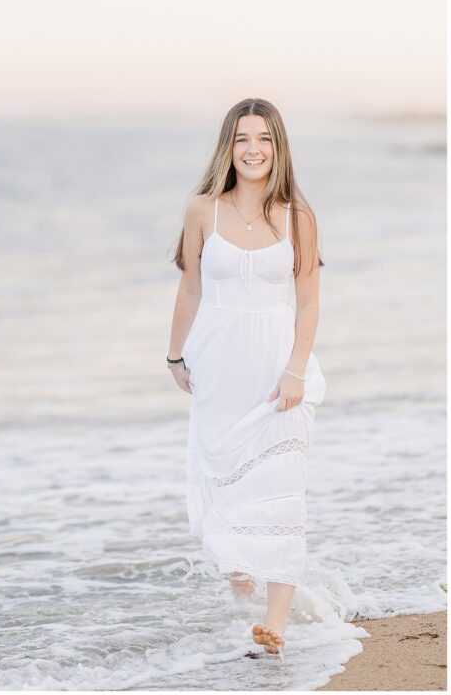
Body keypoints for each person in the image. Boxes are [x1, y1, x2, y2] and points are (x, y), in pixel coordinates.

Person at [167, 97, 327, 662]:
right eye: (242, 139)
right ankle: (242, 574)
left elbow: (307, 304)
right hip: (219, 365)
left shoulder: (297, 217)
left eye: (263, 138)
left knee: (284, 491)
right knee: (229, 481)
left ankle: (275, 623)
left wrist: (295, 369)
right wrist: (174, 356)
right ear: (228, 148)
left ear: (278, 147)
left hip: (280, 370)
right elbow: (190, 287)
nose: (253, 149)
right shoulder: (201, 210)